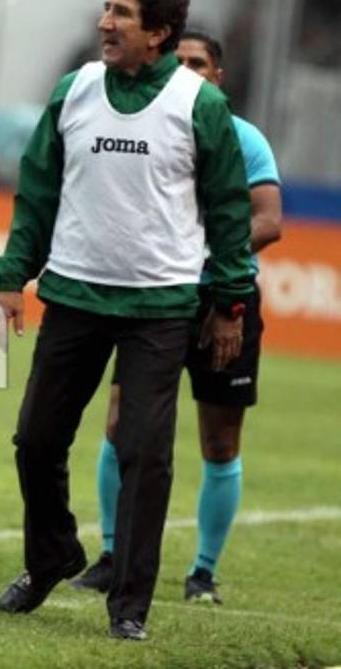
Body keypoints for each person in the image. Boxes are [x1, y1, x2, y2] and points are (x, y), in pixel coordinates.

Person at [0, 0, 253, 641]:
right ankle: (51, 558)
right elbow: (37, 189)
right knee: (36, 439)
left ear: (159, 33)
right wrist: (12, 273)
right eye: (106, 9)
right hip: (73, 296)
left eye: (123, 14)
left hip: (160, 309)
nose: (106, 22)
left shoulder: (200, 104)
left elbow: (229, 211)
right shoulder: (74, 90)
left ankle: (129, 605)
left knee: (145, 453)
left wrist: (228, 304)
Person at [73, 29, 282, 604]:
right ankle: (112, 556)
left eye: (200, 63)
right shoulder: (146, 126)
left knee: (219, 442)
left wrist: (208, 260)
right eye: (180, 60)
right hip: (153, 299)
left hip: (223, 299)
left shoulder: (244, 139)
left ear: (219, 76)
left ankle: (203, 573)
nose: (188, 69)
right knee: (120, 424)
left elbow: (268, 219)